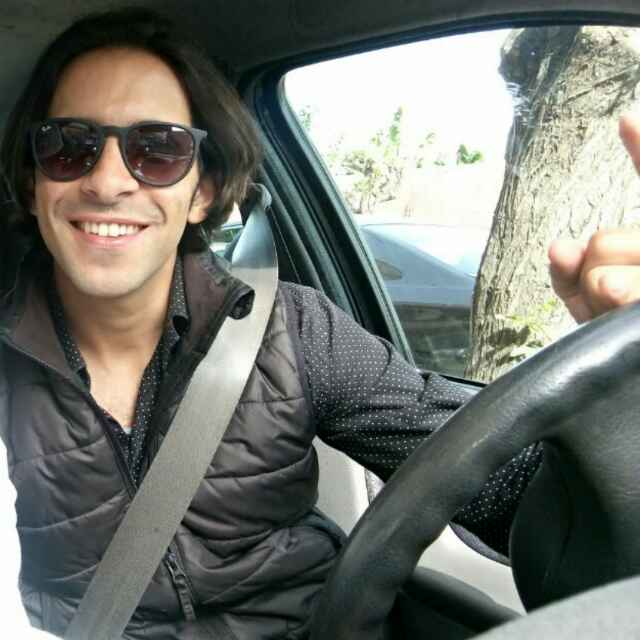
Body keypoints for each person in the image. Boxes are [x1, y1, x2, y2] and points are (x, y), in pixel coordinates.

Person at [1, 8, 640, 640]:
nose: (108, 181)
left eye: (158, 149)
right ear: (33, 183)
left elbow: (510, 493)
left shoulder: (294, 331)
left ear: (203, 192)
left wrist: (623, 413)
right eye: (69, 146)